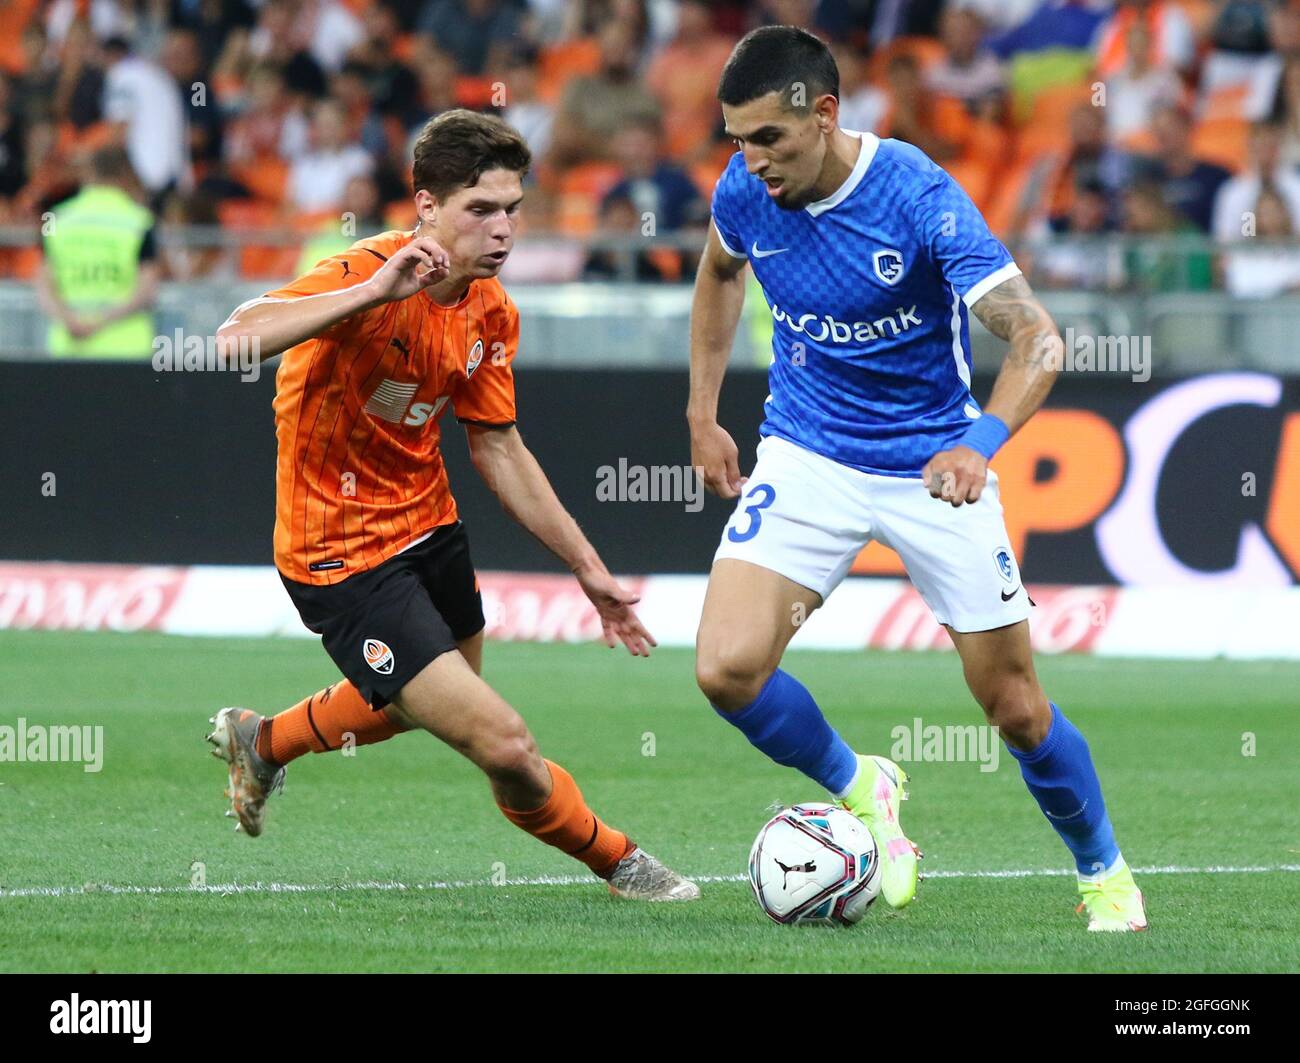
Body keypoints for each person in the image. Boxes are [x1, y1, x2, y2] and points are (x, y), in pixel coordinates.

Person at [688, 27, 1147, 931]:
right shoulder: (744, 191)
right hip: (809, 450)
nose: (751, 160)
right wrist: (701, 413)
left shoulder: (919, 197)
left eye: (768, 138)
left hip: (936, 467)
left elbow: (1038, 338)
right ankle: (865, 785)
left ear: (823, 114)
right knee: (726, 669)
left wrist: (979, 441)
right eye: (735, 139)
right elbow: (717, 274)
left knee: (1013, 704)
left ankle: (1105, 872)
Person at [209, 110, 697, 903]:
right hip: (340, 553)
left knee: (417, 705)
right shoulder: (365, 272)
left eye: (513, 208)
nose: (503, 229)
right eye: (481, 209)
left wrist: (589, 569)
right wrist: (370, 292)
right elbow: (230, 338)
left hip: (428, 526)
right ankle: (621, 862)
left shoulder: (490, 307)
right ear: (426, 205)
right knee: (504, 741)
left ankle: (262, 740)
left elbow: (499, 447)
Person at [36, 144, 159, 358]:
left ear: (88, 173)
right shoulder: (139, 221)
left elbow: (43, 284)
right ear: (125, 174)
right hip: (126, 347)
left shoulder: (56, 218)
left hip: (68, 346)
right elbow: (147, 290)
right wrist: (100, 322)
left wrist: (70, 321)